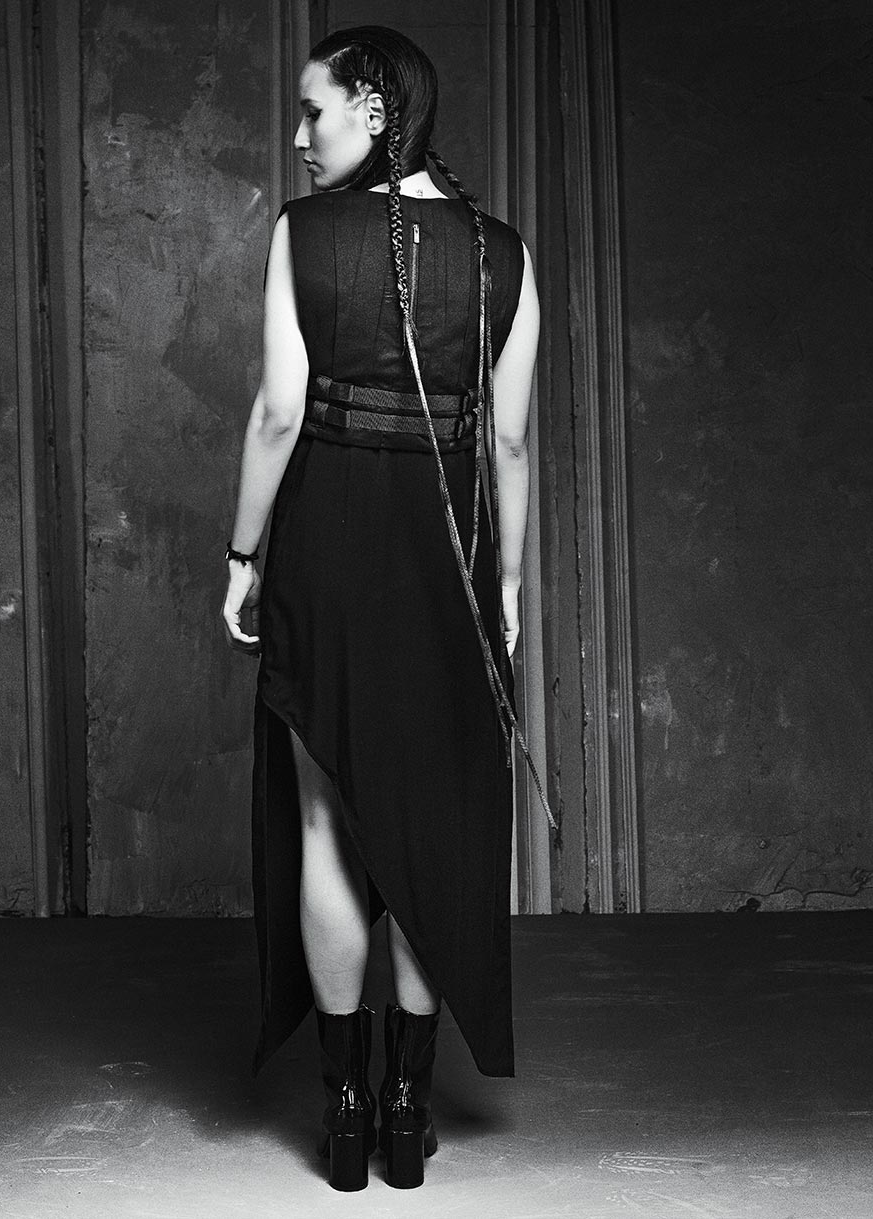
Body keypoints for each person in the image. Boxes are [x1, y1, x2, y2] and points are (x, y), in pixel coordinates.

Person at [220, 25, 544, 1192]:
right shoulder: (503, 253)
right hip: (449, 557)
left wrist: (242, 554)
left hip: (327, 544)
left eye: (313, 110)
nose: (299, 136)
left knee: (325, 822)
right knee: (429, 826)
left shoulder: (304, 233)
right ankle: (410, 1104)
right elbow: (509, 439)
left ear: (370, 103)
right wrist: (507, 584)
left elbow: (279, 411)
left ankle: (346, 1108)